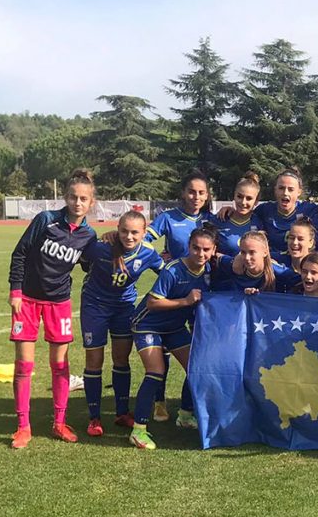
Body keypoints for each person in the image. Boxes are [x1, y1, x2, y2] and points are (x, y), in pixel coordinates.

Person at [7, 168, 98, 449]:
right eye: (73, 197)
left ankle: (59, 423)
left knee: (60, 365)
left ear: (91, 202)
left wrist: (106, 244)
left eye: (83, 198)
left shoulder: (88, 235)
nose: (78, 203)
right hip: (28, 301)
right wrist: (16, 291)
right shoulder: (46, 220)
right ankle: (23, 427)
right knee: (24, 365)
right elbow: (20, 253)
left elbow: (89, 264)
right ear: (66, 197)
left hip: (59, 302)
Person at [128, 226, 217, 450]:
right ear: (189, 246)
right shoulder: (173, 270)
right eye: (196, 248)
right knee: (155, 372)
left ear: (214, 250)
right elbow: (152, 303)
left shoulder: (209, 270)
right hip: (147, 325)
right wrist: (185, 301)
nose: (200, 253)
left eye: (206, 249)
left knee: (196, 368)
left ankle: (185, 415)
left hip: (174, 327)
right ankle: (138, 430)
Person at [79, 210, 164, 437]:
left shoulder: (148, 252)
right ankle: (94, 418)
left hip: (124, 308)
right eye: (124, 231)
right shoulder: (100, 248)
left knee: (121, 358)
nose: (129, 236)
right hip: (94, 307)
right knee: (94, 360)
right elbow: (82, 261)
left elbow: (167, 274)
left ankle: (122, 412)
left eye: (135, 232)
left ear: (144, 233)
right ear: (117, 230)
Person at [142, 171, 213, 422]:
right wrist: (161, 265)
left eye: (201, 192)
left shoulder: (210, 219)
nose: (196, 197)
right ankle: (159, 401)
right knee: (164, 348)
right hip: (173, 291)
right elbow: (143, 241)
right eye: (191, 191)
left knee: (197, 352)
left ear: (207, 195)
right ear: (183, 192)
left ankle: (188, 408)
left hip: (200, 295)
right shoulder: (168, 217)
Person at [251, 167, 318, 259]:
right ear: (275, 189)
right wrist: (232, 210)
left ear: (299, 192)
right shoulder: (264, 210)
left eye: (291, 189)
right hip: (272, 263)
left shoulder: (309, 210)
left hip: (298, 264)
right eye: (281, 188)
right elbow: (244, 215)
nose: (285, 193)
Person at [204, 171, 263, 257]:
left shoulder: (260, 222)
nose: (243, 202)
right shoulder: (220, 218)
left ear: (256, 201)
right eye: (239, 196)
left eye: (249, 198)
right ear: (234, 195)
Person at [211, 231, 289, 294]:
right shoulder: (235, 265)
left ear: (265, 252)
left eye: (252, 252)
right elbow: (216, 257)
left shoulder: (277, 271)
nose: (247, 258)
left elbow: (296, 281)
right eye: (243, 252)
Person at [277, 218, 318, 292]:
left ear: (311, 242)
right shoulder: (277, 260)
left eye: (300, 239)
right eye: (291, 238)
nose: (295, 242)